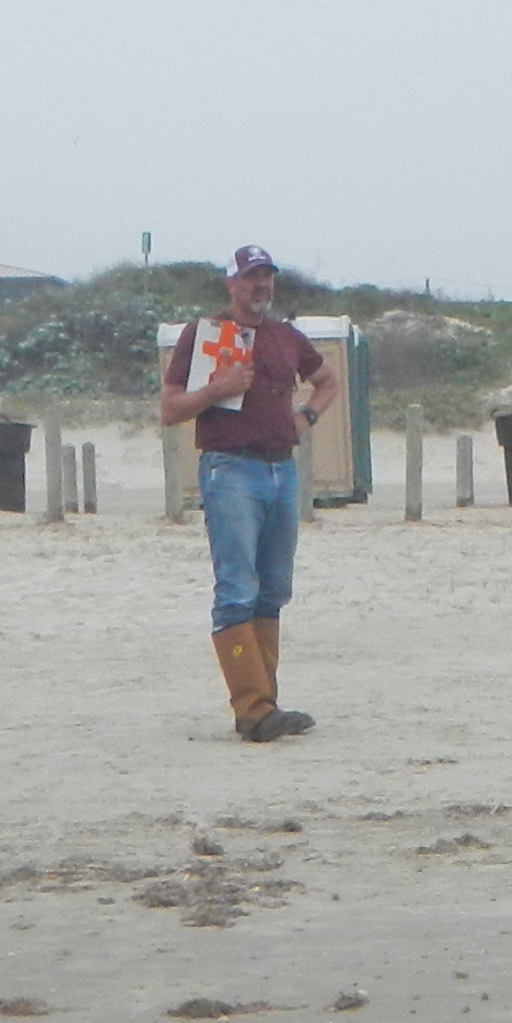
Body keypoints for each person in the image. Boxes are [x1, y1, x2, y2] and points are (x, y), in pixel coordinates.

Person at [160, 247, 337, 741]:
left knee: (273, 589)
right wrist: (219, 389)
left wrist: (306, 419)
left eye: (267, 277)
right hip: (230, 469)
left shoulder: (285, 337)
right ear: (231, 284)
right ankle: (252, 708)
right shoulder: (205, 336)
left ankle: (266, 703)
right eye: (251, 277)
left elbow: (326, 381)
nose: (261, 285)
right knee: (237, 588)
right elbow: (171, 408)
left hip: (281, 471)